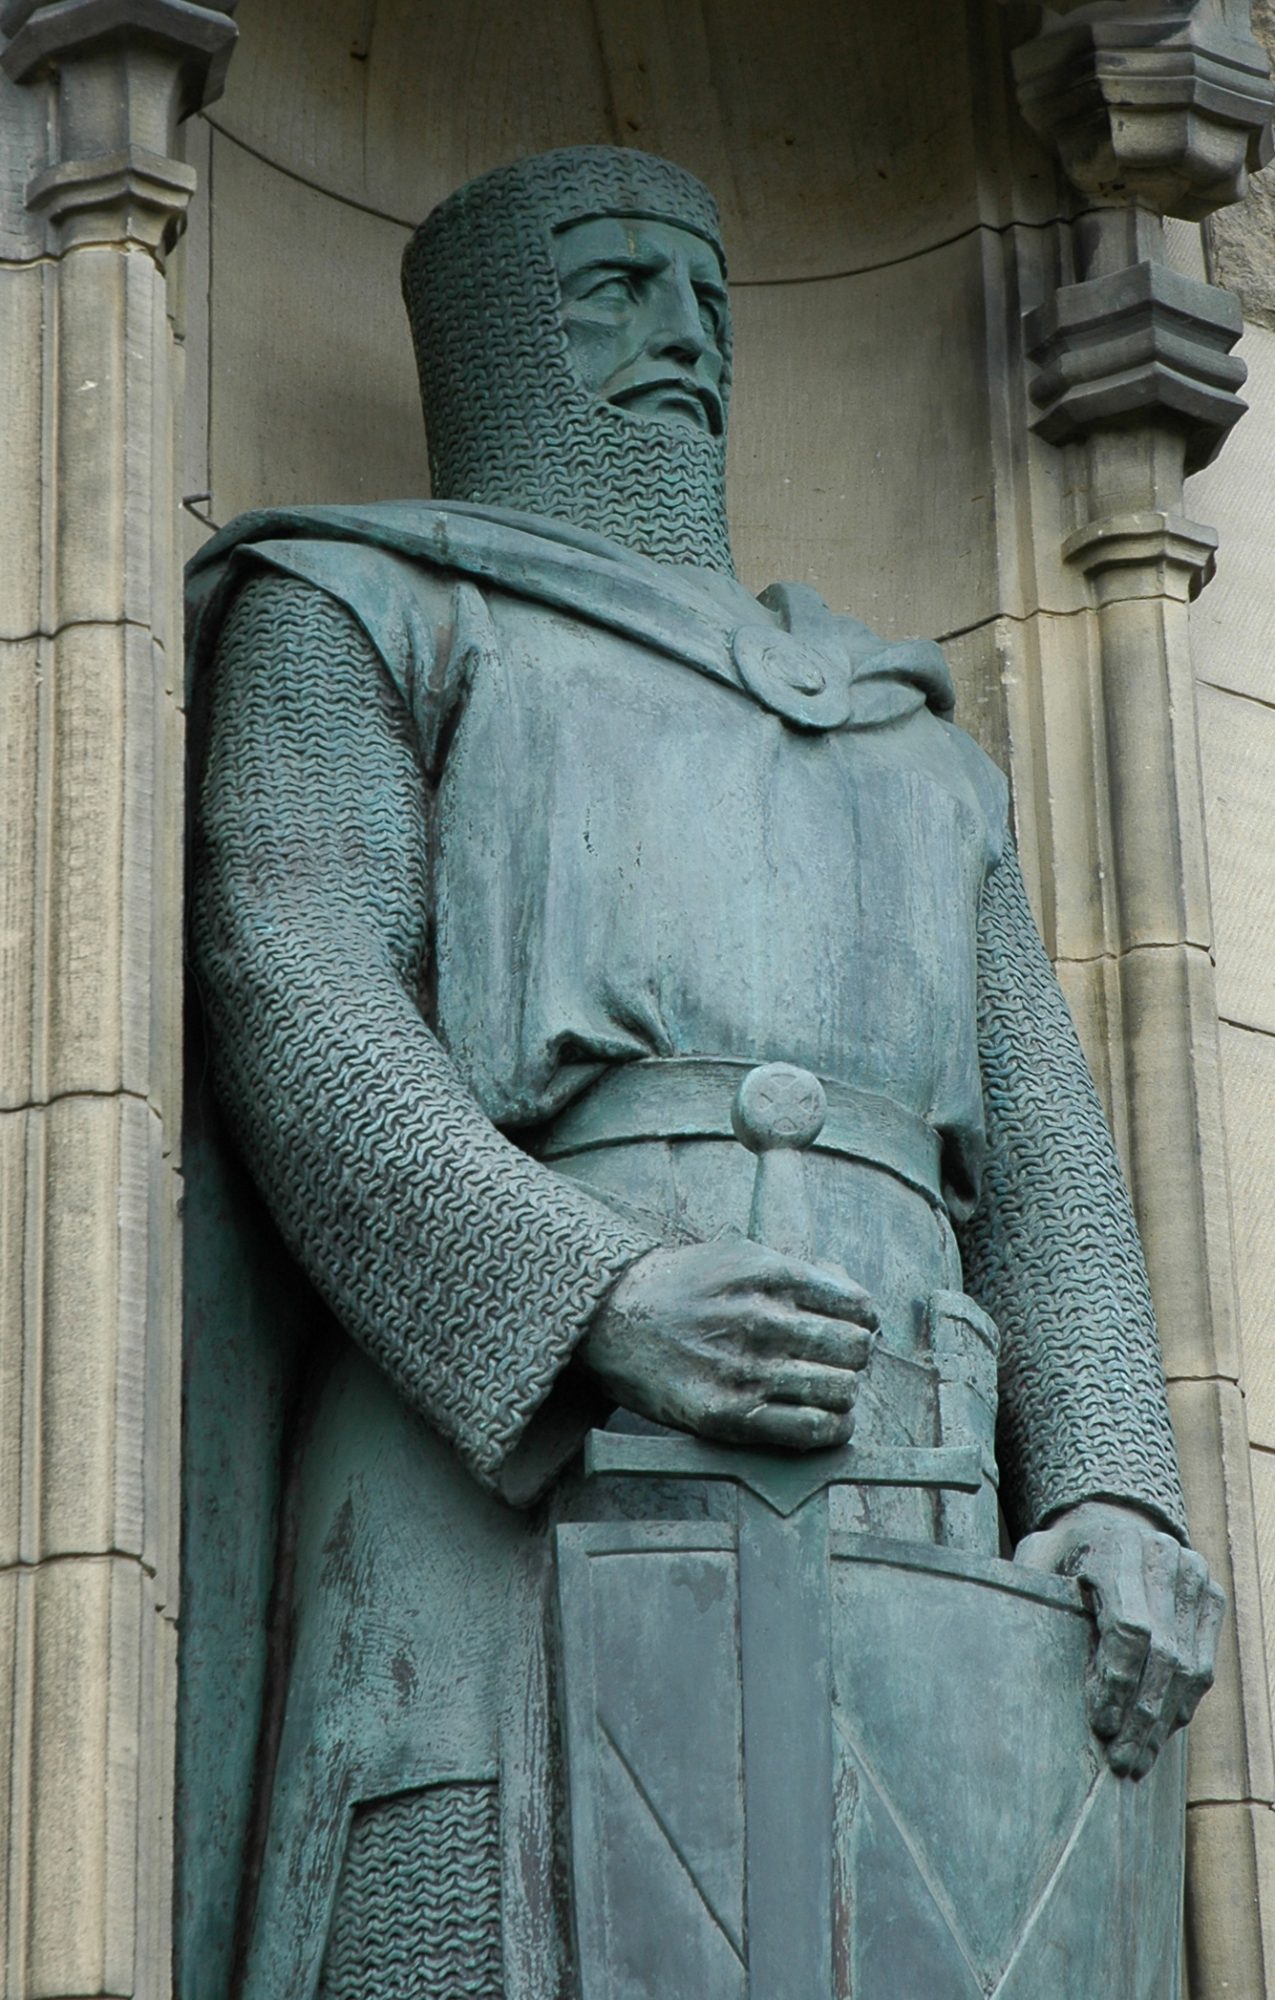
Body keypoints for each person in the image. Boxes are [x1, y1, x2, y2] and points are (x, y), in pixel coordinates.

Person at [185, 146, 1221, 1999]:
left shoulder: (910, 742)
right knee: (470, 1931)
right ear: (504, 337)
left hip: (904, 1522)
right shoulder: (364, 608)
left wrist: (1118, 1490)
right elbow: (302, 995)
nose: (688, 334)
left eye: (712, 298)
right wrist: (598, 1293)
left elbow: (1053, 1164)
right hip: (501, 1496)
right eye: (616, 287)